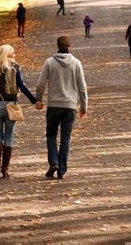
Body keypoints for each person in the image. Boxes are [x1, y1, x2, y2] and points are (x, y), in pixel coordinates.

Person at [35, 36, 88, 180]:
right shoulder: (76, 63)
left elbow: (40, 84)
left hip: (53, 105)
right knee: (66, 137)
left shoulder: (49, 62)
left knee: (51, 135)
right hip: (70, 106)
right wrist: (84, 107)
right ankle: (62, 170)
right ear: (69, 46)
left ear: (57, 45)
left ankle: (54, 162)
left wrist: (38, 99)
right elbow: (82, 87)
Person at [0, 45, 38, 178]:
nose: (14, 55)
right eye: (13, 53)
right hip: (11, 105)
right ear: (7, 55)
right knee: (9, 136)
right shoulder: (15, 68)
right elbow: (22, 86)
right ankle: (5, 169)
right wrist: (34, 101)